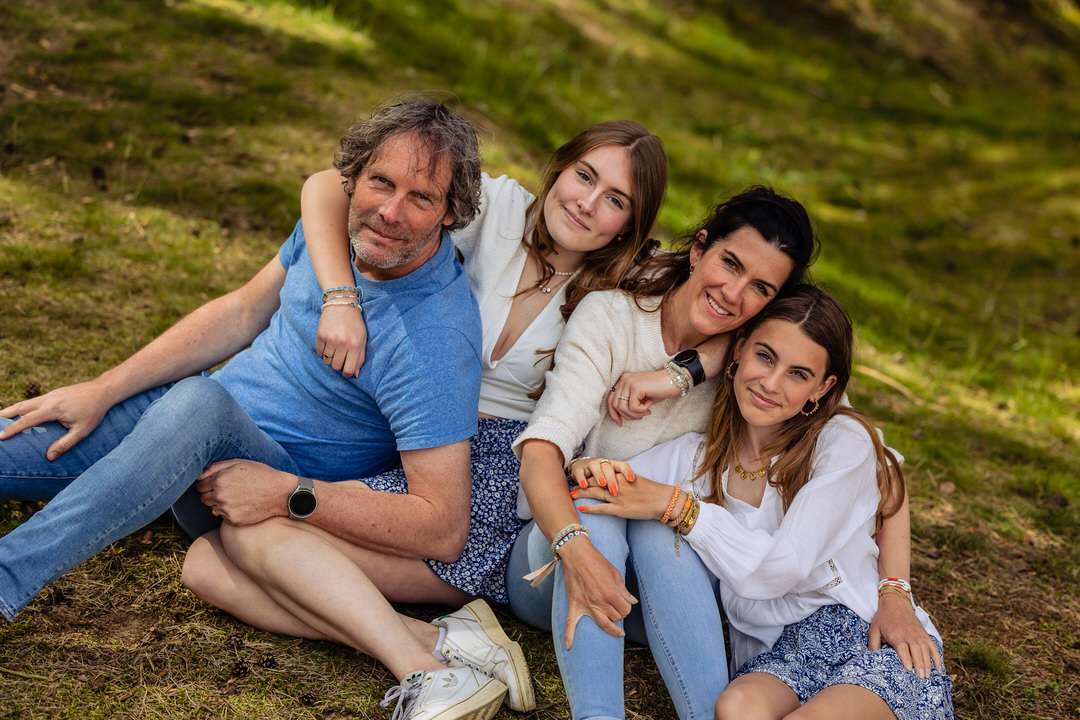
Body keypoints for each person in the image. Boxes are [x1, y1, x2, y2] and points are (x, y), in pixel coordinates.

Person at [0, 98, 514, 720]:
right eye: (380, 182)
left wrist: (289, 493)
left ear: (452, 212)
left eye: (421, 198)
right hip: (174, 430)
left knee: (200, 401)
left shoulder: (432, 338)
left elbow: (442, 525)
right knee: (18, 440)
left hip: (238, 487)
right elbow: (242, 312)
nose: (390, 211)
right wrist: (104, 388)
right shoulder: (338, 238)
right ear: (356, 177)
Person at [180, 120, 670, 716]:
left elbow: (741, 309)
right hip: (424, 444)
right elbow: (326, 188)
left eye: (616, 200)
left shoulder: (633, 286)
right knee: (205, 564)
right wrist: (341, 296)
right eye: (584, 176)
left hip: (496, 477)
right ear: (560, 169)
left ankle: (431, 668)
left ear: (630, 224)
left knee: (232, 545)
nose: (588, 204)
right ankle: (443, 645)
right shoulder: (494, 206)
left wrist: (676, 375)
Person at [506, 186, 821, 720]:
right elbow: (542, 450)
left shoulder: (758, 370)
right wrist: (577, 551)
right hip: (558, 552)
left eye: (760, 288)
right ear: (699, 250)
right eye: (729, 262)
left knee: (661, 513)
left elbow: (863, 447)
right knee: (600, 499)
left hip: (663, 587)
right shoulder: (613, 318)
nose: (733, 292)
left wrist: (685, 374)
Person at [572, 285, 954, 720]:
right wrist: (589, 469)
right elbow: (600, 487)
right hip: (777, 657)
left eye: (798, 374)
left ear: (822, 387)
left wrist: (683, 509)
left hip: (865, 634)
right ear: (737, 352)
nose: (771, 384)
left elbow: (783, 566)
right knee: (734, 708)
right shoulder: (695, 458)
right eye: (766, 357)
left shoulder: (840, 441)